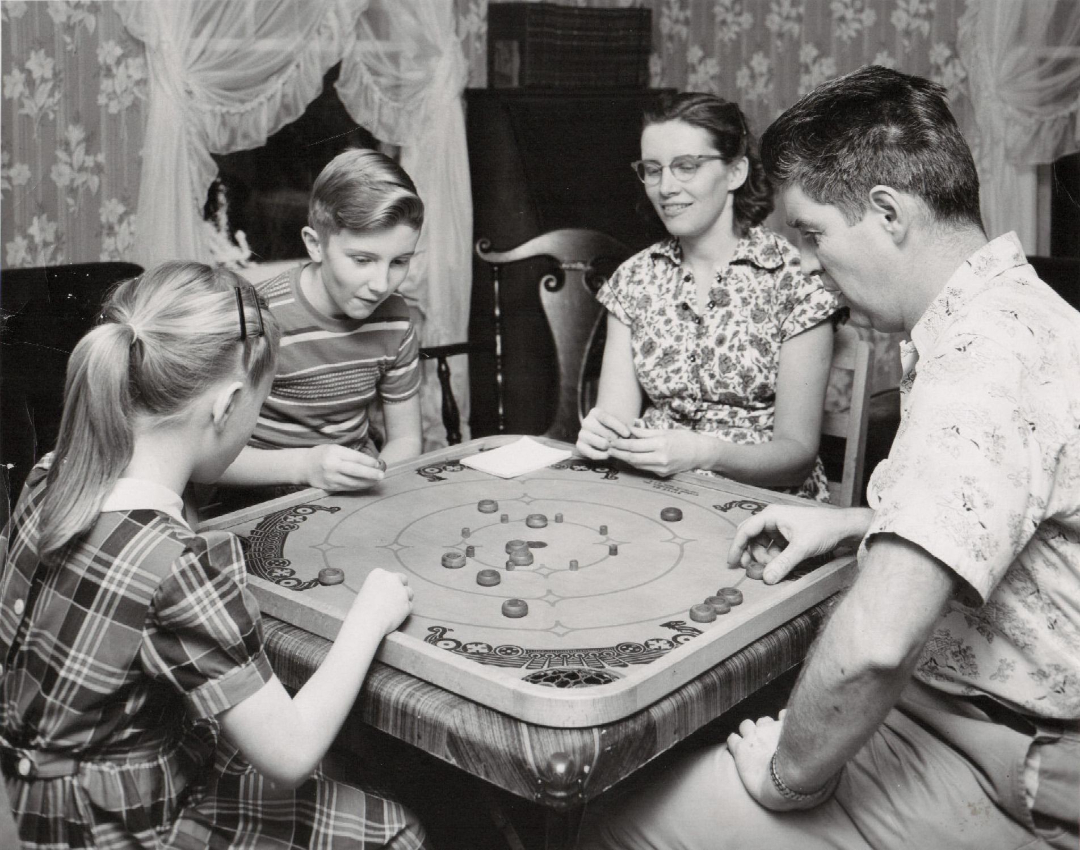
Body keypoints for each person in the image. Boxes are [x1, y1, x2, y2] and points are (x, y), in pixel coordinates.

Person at [577, 66, 1079, 850]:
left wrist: (788, 777)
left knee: (620, 820)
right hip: (980, 716)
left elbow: (875, 647)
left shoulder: (983, 364)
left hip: (1011, 758)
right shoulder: (1022, 309)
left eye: (812, 234)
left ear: (887, 213)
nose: (807, 263)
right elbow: (1016, 507)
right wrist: (858, 522)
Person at [0, 262, 429, 849]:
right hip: (106, 823)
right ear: (228, 405)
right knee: (396, 831)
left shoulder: (50, 477)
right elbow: (291, 752)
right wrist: (371, 615)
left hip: (31, 793)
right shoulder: (172, 567)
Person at [576, 92, 842, 501]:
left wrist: (705, 453)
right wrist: (602, 435)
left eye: (686, 167)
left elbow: (798, 455)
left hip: (764, 505)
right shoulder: (633, 281)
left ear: (735, 172)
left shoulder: (795, 279)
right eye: (652, 169)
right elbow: (617, 419)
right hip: (654, 494)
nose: (665, 187)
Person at [220, 147, 424, 495]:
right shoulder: (258, 316)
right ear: (315, 245)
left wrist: (372, 478)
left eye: (399, 262)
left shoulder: (396, 319)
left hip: (352, 490)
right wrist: (305, 468)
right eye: (362, 260)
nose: (381, 285)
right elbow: (206, 461)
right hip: (260, 492)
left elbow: (406, 439)